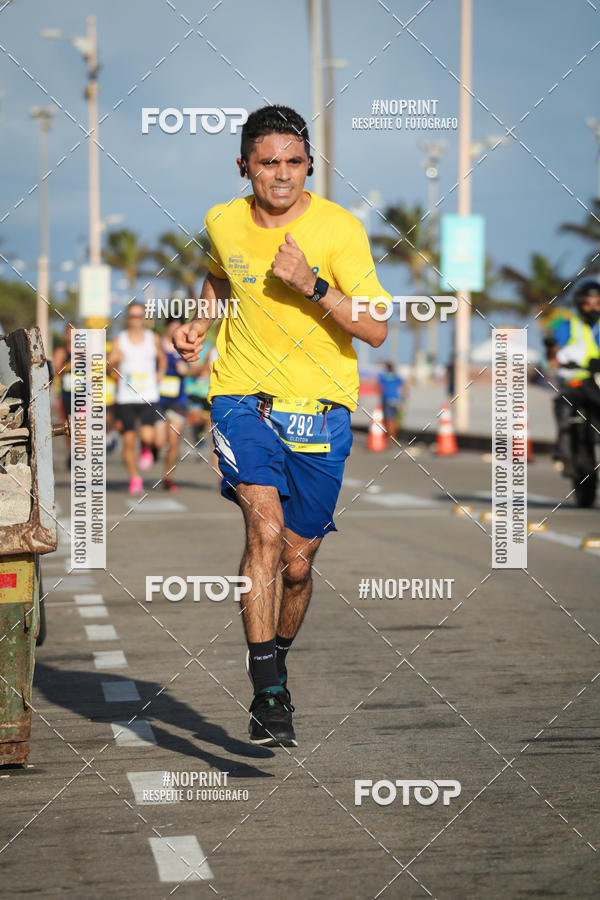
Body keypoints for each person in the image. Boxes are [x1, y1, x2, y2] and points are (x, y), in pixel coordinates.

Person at [174, 104, 390, 747]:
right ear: (244, 166)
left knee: (296, 567)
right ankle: (268, 691)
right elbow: (220, 275)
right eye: (268, 162)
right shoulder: (223, 221)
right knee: (263, 526)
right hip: (243, 399)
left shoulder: (338, 229)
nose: (282, 175)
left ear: (309, 167)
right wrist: (199, 322)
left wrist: (312, 284)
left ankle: (274, 657)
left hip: (321, 410)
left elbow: (376, 326)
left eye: (295, 162)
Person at [108, 301, 166, 495]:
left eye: (140, 316)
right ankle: (134, 477)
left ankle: (146, 449)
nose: (136, 320)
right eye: (133, 316)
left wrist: (161, 372)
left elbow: (162, 358)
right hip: (125, 397)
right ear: (128, 318)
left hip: (148, 394)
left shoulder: (153, 338)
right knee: (129, 441)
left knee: (149, 436)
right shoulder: (120, 340)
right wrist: (114, 361)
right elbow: (109, 366)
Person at [545, 277, 600, 472]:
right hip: (577, 380)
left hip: (598, 381)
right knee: (564, 406)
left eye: (597, 303)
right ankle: (564, 452)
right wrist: (555, 357)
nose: (593, 307)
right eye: (588, 303)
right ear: (580, 303)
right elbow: (553, 351)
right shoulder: (570, 325)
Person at [377, 361, 404, 441]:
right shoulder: (396, 377)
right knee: (395, 419)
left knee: (388, 420)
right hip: (396, 399)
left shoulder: (383, 377)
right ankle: (394, 437)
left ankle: (390, 438)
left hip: (387, 399)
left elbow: (379, 388)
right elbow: (404, 386)